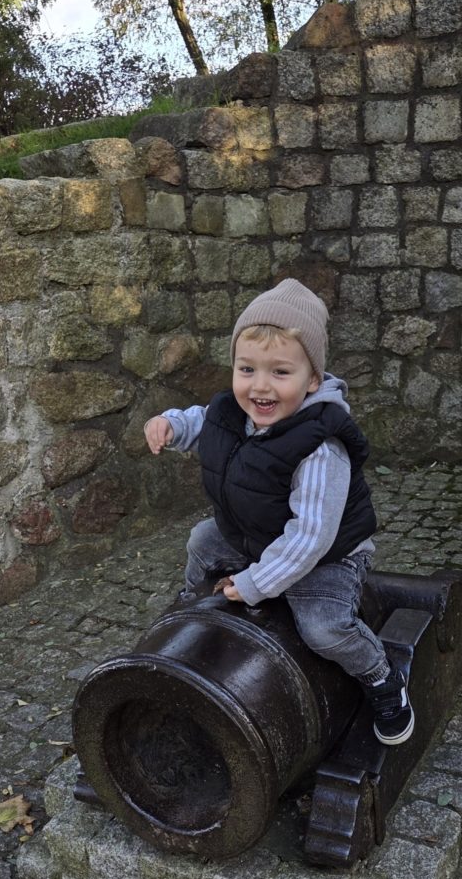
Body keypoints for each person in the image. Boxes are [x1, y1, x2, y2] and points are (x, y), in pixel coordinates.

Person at [144, 278, 414, 746]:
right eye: (247, 369)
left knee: (324, 629)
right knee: (202, 540)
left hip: (328, 556)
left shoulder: (319, 448)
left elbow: (310, 537)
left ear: (312, 380)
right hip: (256, 533)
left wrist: (255, 584)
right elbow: (203, 421)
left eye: (280, 372)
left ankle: (382, 678)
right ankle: (192, 608)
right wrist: (169, 423)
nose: (260, 386)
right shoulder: (233, 412)